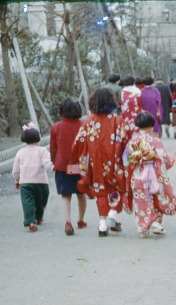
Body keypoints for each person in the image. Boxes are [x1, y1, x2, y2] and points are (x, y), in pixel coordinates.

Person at [71, 88, 130, 237]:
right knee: (116, 188)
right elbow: (126, 142)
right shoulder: (118, 120)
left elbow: (78, 143)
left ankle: (102, 224)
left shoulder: (88, 121)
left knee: (101, 192)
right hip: (114, 162)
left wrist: (76, 166)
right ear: (112, 102)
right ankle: (112, 213)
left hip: (95, 163)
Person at [125, 111, 176, 238]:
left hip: (138, 176)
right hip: (155, 177)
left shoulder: (131, 142)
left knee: (141, 202)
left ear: (137, 125)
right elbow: (167, 161)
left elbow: (126, 163)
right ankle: (155, 223)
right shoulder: (156, 141)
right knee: (156, 198)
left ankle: (143, 228)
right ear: (151, 126)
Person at [50, 98, 87, 235]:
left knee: (65, 195)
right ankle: (81, 220)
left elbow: (53, 148)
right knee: (81, 193)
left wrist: (54, 161)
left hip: (63, 165)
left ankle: (68, 221)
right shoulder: (83, 125)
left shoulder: (56, 127)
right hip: (80, 165)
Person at [13, 123, 54, 232]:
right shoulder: (42, 151)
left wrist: (17, 180)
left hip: (25, 183)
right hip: (41, 182)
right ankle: (38, 217)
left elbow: (16, 169)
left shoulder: (20, 152)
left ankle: (31, 221)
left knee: (28, 202)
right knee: (41, 201)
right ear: (38, 138)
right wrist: (53, 167)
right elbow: (47, 162)